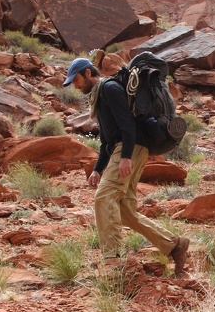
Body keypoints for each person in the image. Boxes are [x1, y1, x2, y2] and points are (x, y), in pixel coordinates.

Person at [63, 57, 190, 276]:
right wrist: (97, 168)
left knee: (104, 197)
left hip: (130, 149)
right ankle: (175, 245)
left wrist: (126, 156)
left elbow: (127, 125)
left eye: (75, 80)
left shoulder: (110, 88)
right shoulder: (99, 96)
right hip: (126, 149)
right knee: (125, 212)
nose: (74, 85)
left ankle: (112, 259)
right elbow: (106, 140)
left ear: (87, 73)